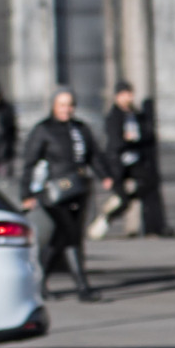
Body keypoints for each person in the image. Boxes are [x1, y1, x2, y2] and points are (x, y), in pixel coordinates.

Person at [19, 88, 111, 302]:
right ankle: (81, 286)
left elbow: (94, 156)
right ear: (53, 106)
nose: (66, 109)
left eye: (69, 105)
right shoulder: (44, 130)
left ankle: (45, 284)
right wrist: (27, 193)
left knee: (66, 238)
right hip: (55, 193)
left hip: (79, 190)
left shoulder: (80, 129)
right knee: (68, 236)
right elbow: (29, 163)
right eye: (62, 105)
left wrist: (105, 176)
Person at [95, 83, 170, 239]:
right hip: (117, 164)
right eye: (125, 94)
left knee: (150, 183)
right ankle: (106, 217)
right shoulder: (114, 116)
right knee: (123, 201)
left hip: (134, 162)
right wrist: (129, 140)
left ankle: (154, 227)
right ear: (117, 96)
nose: (129, 98)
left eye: (130, 94)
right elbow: (115, 142)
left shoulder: (134, 114)